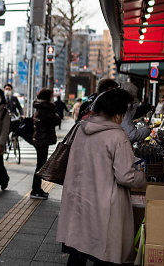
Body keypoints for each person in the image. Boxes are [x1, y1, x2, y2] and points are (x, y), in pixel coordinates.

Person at [57, 89, 146, 265]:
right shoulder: (117, 136)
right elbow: (125, 176)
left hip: (79, 198)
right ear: (118, 112)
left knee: (78, 248)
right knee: (103, 252)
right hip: (104, 204)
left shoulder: (81, 129)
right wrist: (141, 177)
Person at [30, 88, 61, 199]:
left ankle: (37, 188)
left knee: (40, 164)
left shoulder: (40, 107)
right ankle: (36, 190)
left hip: (40, 139)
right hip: (42, 139)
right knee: (40, 165)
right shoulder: (47, 108)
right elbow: (56, 120)